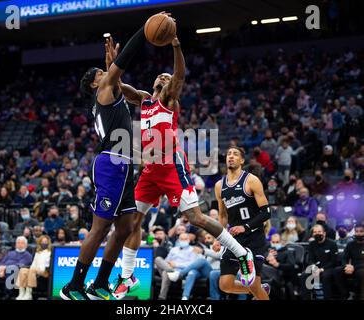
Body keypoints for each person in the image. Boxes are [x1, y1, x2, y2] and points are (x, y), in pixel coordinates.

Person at [105, 37, 255, 299]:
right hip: (151, 169)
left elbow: (180, 74)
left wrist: (176, 45)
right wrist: (112, 65)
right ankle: (127, 277)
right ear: (153, 84)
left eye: (167, 76)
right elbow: (118, 86)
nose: (165, 77)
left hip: (172, 165)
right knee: (132, 221)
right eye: (160, 76)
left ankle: (243, 254)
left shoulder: (169, 99)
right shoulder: (145, 101)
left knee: (196, 218)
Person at [60, 21, 147, 300]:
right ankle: (72, 286)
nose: (106, 71)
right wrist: (144, 29)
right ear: (96, 82)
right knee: (100, 228)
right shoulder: (103, 91)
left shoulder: (114, 89)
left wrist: (114, 72)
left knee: (125, 227)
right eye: (102, 72)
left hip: (124, 164)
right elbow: (126, 58)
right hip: (111, 162)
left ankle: (99, 284)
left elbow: (141, 98)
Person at [215, 147, 271, 300]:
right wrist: (218, 238)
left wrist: (245, 227)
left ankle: (257, 290)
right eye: (228, 154)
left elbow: (266, 212)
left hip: (254, 237)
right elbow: (222, 215)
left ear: (242, 161)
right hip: (234, 240)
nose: (231, 157)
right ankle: (260, 291)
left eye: (235, 154)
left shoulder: (251, 180)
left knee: (253, 285)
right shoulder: (220, 186)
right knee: (225, 285)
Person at [154, 232, 201, 300]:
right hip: (171, 269)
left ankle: (161, 298)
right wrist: (170, 265)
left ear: (188, 240)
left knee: (165, 273)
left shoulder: (192, 250)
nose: (183, 240)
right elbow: (166, 260)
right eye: (181, 239)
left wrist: (176, 265)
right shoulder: (174, 249)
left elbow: (191, 264)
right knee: (158, 259)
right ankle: (172, 271)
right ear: (178, 240)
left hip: (182, 273)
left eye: (185, 239)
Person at [300, 224, 338, 300]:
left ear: (324, 233)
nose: (317, 234)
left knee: (325, 276)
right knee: (304, 275)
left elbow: (334, 261)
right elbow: (310, 259)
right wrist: (314, 268)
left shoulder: (332, 244)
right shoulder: (311, 244)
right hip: (315, 267)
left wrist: (321, 270)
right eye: (315, 232)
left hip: (328, 267)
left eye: (319, 231)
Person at [16, 235, 52, 300]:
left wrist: (35, 270)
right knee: (23, 270)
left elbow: (48, 265)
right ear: (40, 243)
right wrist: (30, 269)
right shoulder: (37, 252)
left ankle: (29, 293)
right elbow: (33, 264)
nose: (44, 243)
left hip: (45, 271)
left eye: (45, 242)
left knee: (32, 270)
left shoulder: (50, 252)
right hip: (35, 270)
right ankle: (21, 292)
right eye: (42, 242)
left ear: (48, 243)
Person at [333, 224, 364, 299]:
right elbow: (344, 258)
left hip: (361, 267)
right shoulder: (350, 244)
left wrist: (354, 267)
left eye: (361, 231)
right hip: (351, 267)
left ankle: (360, 295)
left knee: (361, 273)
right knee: (337, 271)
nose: (358, 233)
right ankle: (345, 294)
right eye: (356, 231)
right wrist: (346, 266)